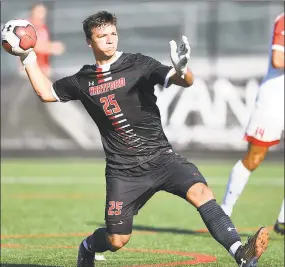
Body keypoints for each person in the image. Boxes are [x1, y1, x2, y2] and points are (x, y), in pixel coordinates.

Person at [2, 11, 270, 267]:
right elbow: (47, 93)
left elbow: (182, 80)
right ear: (88, 41)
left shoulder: (138, 64)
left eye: (113, 33)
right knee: (117, 239)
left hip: (162, 158)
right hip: (123, 171)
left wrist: (184, 70)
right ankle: (87, 247)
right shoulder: (83, 79)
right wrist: (28, 58)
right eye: (102, 35)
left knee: (202, 192)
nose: (110, 39)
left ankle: (241, 254)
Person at [220, 12, 284, 235]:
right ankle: (223, 213)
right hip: (275, 101)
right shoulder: (283, 19)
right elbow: (278, 60)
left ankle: (283, 220)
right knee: (254, 158)